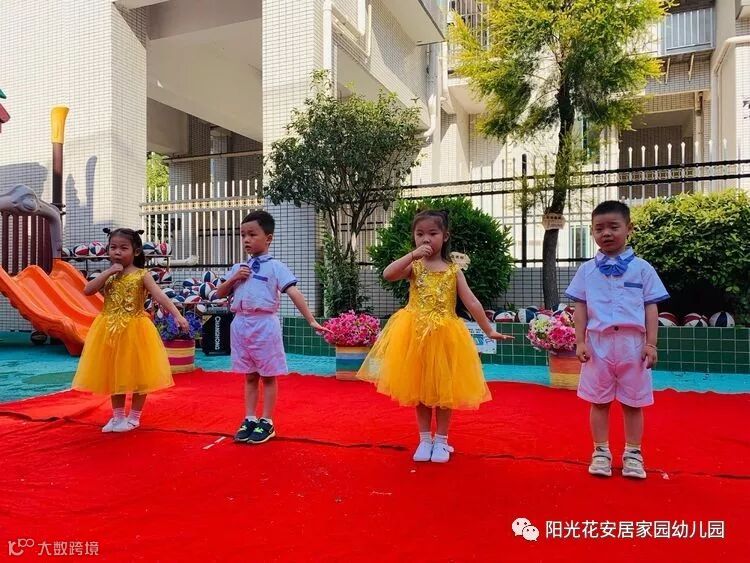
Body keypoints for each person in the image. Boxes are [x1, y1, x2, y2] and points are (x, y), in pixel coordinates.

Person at [357, 210, 513, 463]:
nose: (426, 239)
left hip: (445, 335)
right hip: (415, 335)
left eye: (432, 233)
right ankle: (424, 440)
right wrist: (412, 255)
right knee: (419, 389)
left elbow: (472, 302)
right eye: (420, 234)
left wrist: (489, 330)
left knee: (443, 389)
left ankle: (440, 440)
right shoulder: (414, 267)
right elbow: (388, 274)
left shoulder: (453, 271)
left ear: (445, 236)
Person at [565, 200, 669, 479]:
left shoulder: (643, 269)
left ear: (629, 228)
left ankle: (633, 453)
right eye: (599, 228)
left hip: (632, 346)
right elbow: (580, 308)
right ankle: (600, 451)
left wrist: (651, 344)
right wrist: (580, 341)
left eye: (614, 227)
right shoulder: (586, 270)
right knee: (598, 401)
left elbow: (651, 307)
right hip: (597, 345)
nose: (606, 233)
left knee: (633, 402)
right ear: (592, 232)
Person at [215, 210, 328, 445]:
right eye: (243, 235)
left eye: (252, 234)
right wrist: (234, 278)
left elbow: (293, 292)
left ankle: (267, 421)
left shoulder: (276, 267)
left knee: (267, 376)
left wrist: (311, 320)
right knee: (249, 375)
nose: (246, 239)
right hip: (240, 325)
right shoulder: (238, 267)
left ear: (268, 238)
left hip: (264, 325)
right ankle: (249, 418)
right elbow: (219, 293)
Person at [72, 228, 189, 432]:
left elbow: (159, 296)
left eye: (123, 248)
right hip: (109, 330)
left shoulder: (142, 275)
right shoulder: (108, 275)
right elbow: (88, 290)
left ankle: (134, 417)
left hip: (135, 329)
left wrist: (177, 315)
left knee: (139, 374)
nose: (117, 252)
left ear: (136, 251)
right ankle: (118, 417)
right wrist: (109, 272)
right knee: (113, 373)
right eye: (113, 247)